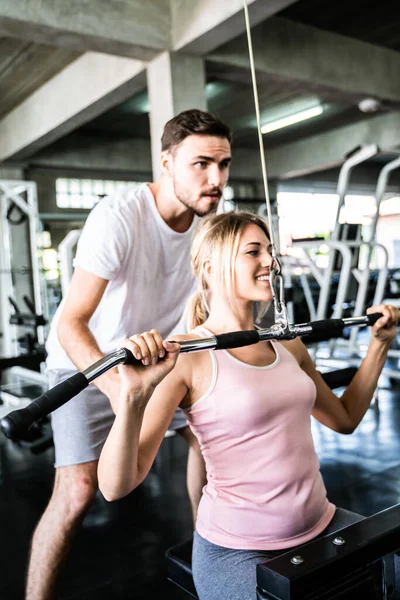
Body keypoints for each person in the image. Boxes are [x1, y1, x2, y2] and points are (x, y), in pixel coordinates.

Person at [97, 211, 400, 600]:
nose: (270, 262)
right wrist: (132, 397)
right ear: (210, 266)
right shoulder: (188, 355)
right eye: (253, 251)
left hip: (323, 525)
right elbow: (114, 486)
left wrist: (379, 344)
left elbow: (344, 419)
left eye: (270, 252)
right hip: (236, 551)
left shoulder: (286, 343)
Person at [26, 109, 233, 600]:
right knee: (78, 491)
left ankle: (216, 555)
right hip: (86, 359)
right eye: (201, 164)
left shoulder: (210, 227)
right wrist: (121, 390)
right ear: (167, 161)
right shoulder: (119, 216)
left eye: (223, 165)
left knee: (209, 446)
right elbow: (70, 322)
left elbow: (211, 306)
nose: (216, 179)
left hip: (158, 356)